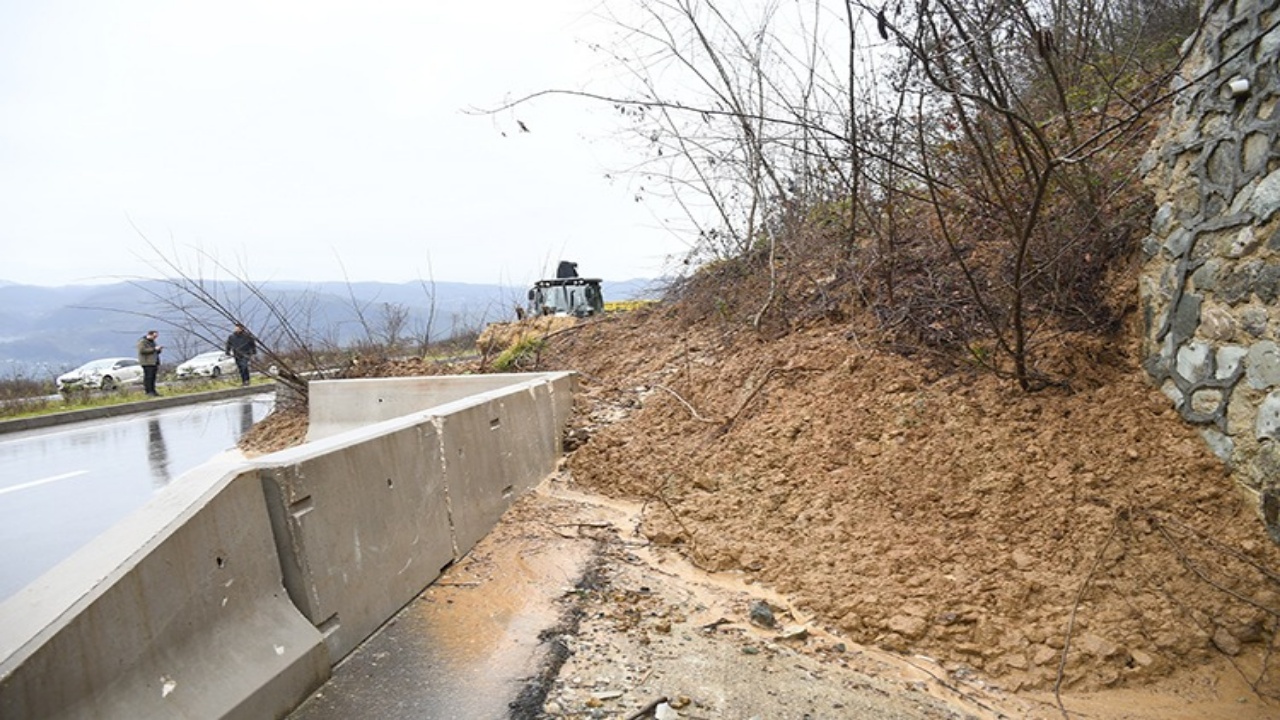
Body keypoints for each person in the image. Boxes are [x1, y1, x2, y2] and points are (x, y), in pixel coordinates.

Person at [137, 330, 163, 396]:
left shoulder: (153, 342)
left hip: (154, 362)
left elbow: (155, 351)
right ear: (150, 335)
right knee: (148, 377)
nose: (155, 338)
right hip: (147, 362)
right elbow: (142, 350)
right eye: (154, 336)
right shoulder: (142, 341)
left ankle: (153, 391)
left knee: (153, 378)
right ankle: (148, 392)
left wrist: (158, 350)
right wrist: (154, 349)